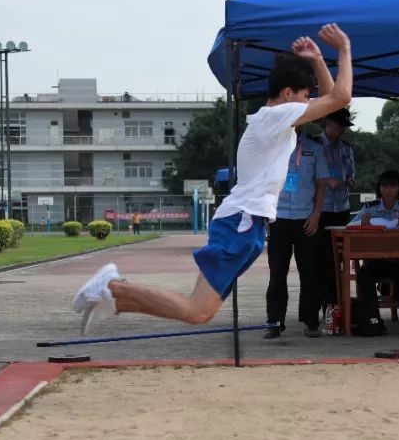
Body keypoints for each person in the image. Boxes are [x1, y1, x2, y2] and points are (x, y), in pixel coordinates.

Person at [71, 24, 353, 333]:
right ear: (287, 94)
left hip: (248, 224)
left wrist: (316, 61)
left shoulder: (275, 119)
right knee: (197, 311)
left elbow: (329, 99)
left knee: (200, 311)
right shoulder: (275, 118)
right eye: (304, 96)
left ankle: (116, 300)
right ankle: (112, 286)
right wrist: (344, 48)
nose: (307, 103)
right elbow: (340, 97)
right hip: (240, 223)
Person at [263, 129, 329, 339]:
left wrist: (317, 214)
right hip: (278, 217)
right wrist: (265, 215)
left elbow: (321, 183)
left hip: (305, 218)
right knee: (277, 273)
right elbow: (263, 183)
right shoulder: (271, 147)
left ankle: (310, 321)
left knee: (309, 272)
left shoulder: (315, 149)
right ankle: (274, 321)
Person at [349, 170, 399, 335]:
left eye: (393, 186)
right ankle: (374, 319)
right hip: (375, 261)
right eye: (384, 186)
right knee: (364, 274)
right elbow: (349, 227)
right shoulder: (370, 208)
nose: (388, 190)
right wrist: (363, 224)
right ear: (379, 188)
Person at [316, 108, 356, 312]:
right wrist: (324, 181)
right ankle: (327, 306)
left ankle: (338, 305)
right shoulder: (313, 145)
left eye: (345, 127)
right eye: (340, 126)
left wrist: (350, 180)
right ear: (328, 123)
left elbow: (351, 173)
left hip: (341, 208)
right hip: (319, 211)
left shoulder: (346, 148)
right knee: (322, 261)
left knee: (340, 260)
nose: (343, 131)